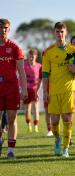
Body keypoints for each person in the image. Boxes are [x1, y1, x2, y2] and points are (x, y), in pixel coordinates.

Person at [42, 22, 75, 157]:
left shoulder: (73, 49)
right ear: (54, 33)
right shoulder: (48, 52)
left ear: (66, 32)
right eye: (57, 32)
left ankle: (65, 149)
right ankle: (57, 140)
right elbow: (45, 74)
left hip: (69, 90)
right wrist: (45, 92)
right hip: (53, 91)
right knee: (54, 123)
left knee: (67, 120)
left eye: (62, 32)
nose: (60, 34)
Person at [0, 19, 28, 160]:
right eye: (1, 27)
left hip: (12, 89)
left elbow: (21, 71)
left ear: (9, 29)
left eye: (5, 28)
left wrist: (24, 89)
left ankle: (11, 151)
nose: (3, 30)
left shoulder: (15, 47)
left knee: (12, 119)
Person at [23, 48, 42, 133]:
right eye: (30, 57)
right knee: (27, 110)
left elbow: (41, 79)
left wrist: (38, 89)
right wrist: (22, 89)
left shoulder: (39, 66)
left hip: (35, 90)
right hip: (27, 90)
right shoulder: (24, 66)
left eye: (33, 57)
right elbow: (21, 78)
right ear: (28, 56)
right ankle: (29, 125)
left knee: (36, 109)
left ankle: (36, 126)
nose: (31, 58)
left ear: (36, 57)